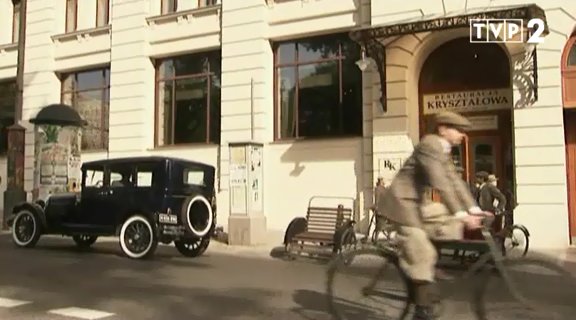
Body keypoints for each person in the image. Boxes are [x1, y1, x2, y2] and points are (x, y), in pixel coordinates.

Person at [377, 111, 487, 320]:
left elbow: (455, 181)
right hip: (403, 204)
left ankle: (427, 267)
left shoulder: (443, 150)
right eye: (458, 129)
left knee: (448, 220)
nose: (462, 135)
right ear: (443, 129)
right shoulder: (430, 144)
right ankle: (421, 307)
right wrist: (462, 213)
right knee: (422, 252)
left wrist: (474, 210)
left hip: (419, 203)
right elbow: (440, 182)